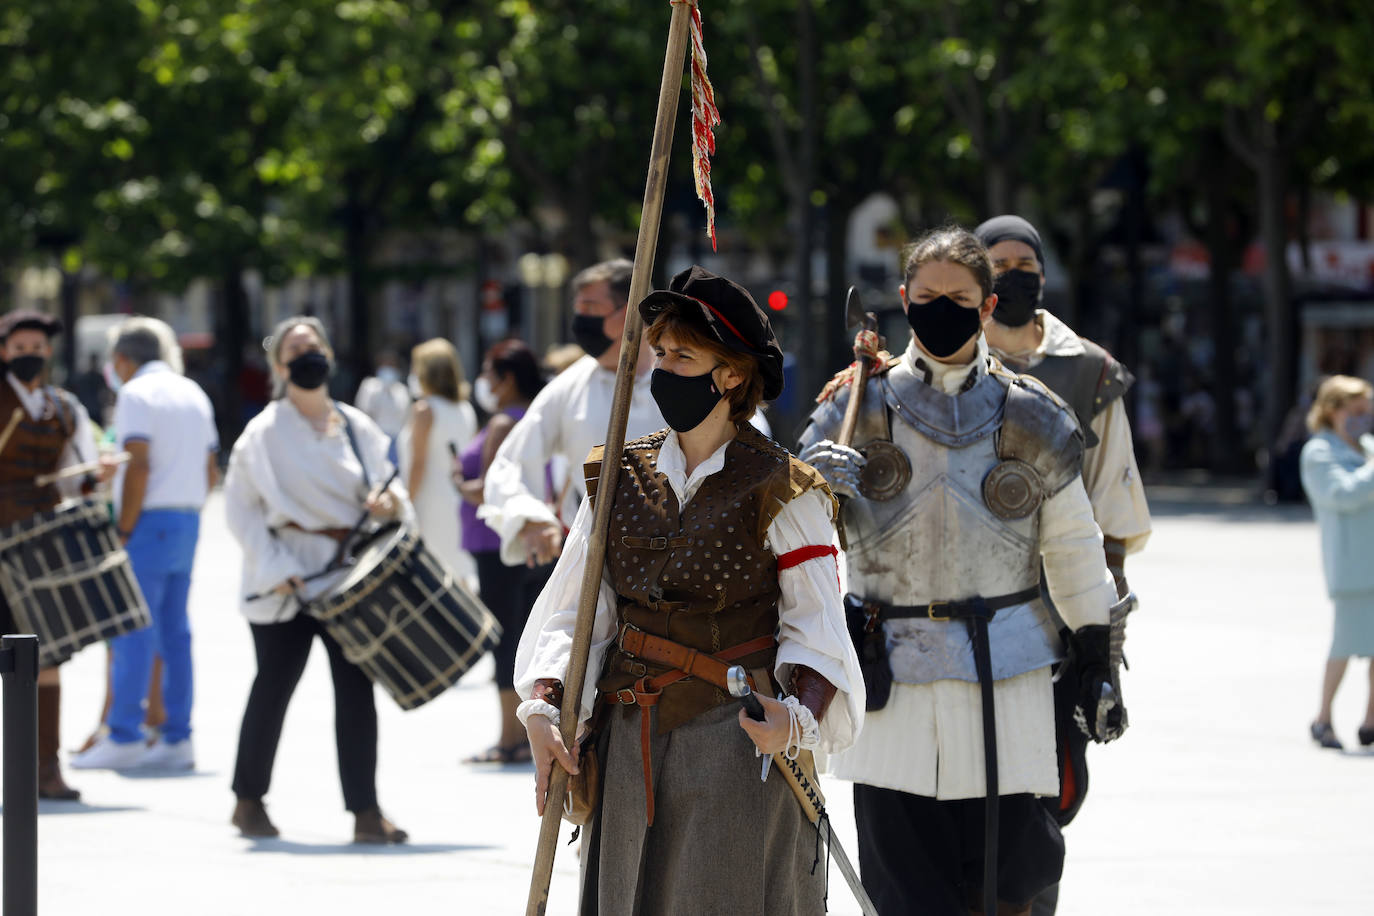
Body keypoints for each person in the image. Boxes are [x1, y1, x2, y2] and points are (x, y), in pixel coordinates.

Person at [799, 228, 1126, 916]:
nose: (940, 308)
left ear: (987, 305)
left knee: (1010, 890)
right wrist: (803, 491)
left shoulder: (1034, 412)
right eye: (927, 297)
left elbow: (1073, 547)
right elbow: (797, 551)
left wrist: (1096, 655)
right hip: (890, 685)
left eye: (958, 297)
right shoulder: (851, 408)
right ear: (902, 301)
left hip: (1008, 677)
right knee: (904, 893)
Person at [517, 266, 863, 914]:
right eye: (661, 353)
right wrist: (545, 703)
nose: (664, 367)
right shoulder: (615, 474)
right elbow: (576, 612)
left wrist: (799, 718)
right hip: (628, 739)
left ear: (730, 375)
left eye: (684, 356)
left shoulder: (784, 488)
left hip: (736, 742)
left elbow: (817, 626)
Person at [975, 215, 1151, 915]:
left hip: (1057, 618)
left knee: (1046, 789)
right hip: (955, 605)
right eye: (998, 262)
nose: (1013, 274)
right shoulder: (940, 363)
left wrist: (1101, 622)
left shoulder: (1089, 370)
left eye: (1026, 262)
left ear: (1044, 274)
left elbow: (1117, 502)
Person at [223, 316, 411, 843]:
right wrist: (278, 570)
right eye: (295, 349)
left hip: (350, 576)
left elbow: (393, 491)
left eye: (314, 347)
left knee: (356, 692)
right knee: (273, 688)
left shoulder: (356, 425)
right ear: (280, 366)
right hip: (287, 577)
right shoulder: (262, 433)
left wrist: (389, 502)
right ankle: (247, 800)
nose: (308, 356)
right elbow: (242, 512)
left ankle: (366, 813)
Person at [70, 317, 219, 772]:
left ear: (122, 360)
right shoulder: (193, 391)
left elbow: (138, 465)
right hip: (187, 518)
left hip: (149, 521)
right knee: (175, 631)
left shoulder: (136, 394)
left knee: (132, 631)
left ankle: (125, 733)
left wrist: (124, 528)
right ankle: (177, 736)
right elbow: (211, 468)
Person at [479, 259, 664, 568]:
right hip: (598, 561)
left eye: (591, 309)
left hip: (680, 556)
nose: (580, 320)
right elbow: (512, 461)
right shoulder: (568, 388)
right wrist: (529, 516)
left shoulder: (684, 376)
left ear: (632, 311)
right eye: (578, 310)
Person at [0, 310, 107, 800]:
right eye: (20, 347)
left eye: (37, 348)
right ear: (5, 351)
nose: (29, 355)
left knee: (46, 657)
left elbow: (72, 476)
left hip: (40, 547)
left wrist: (91, 477)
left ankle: (47, 769)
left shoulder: (65, 409)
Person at [457, 339, 547, 763]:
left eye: (491, 374)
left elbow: (489, 490)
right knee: (527, 638)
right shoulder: (538, 417)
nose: (485, 383)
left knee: (505, 641)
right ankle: (521, 736)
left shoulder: (501, 423)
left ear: (507, 378)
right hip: (530, 540)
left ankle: (509, 738)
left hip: (496, 545)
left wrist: (459, 481)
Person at [1299, 375, 1374, 750]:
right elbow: (1341, 494)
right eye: (1356, 411)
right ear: (1332, 411)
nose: (1364, 418)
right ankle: (1323, 717)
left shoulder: (1366, 448)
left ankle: (1370, 720)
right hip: (1352, 567)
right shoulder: (1319, 452)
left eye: (1368, 411)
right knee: (1345, 644)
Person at [396, 338, 477, 585]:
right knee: (459, 575)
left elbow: (418, 464)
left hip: (429, 500)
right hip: (456, 501)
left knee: (432, 576)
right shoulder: (465, 409)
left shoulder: (425, 409)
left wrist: (404, 505)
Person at [354, 349, 410, 443]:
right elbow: (363, 411)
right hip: (374, 437)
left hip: (396, 440)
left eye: (391, 364)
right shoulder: (369, 386)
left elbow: (405, 418)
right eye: (385, 364)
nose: (388, 367)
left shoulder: (402, 390)